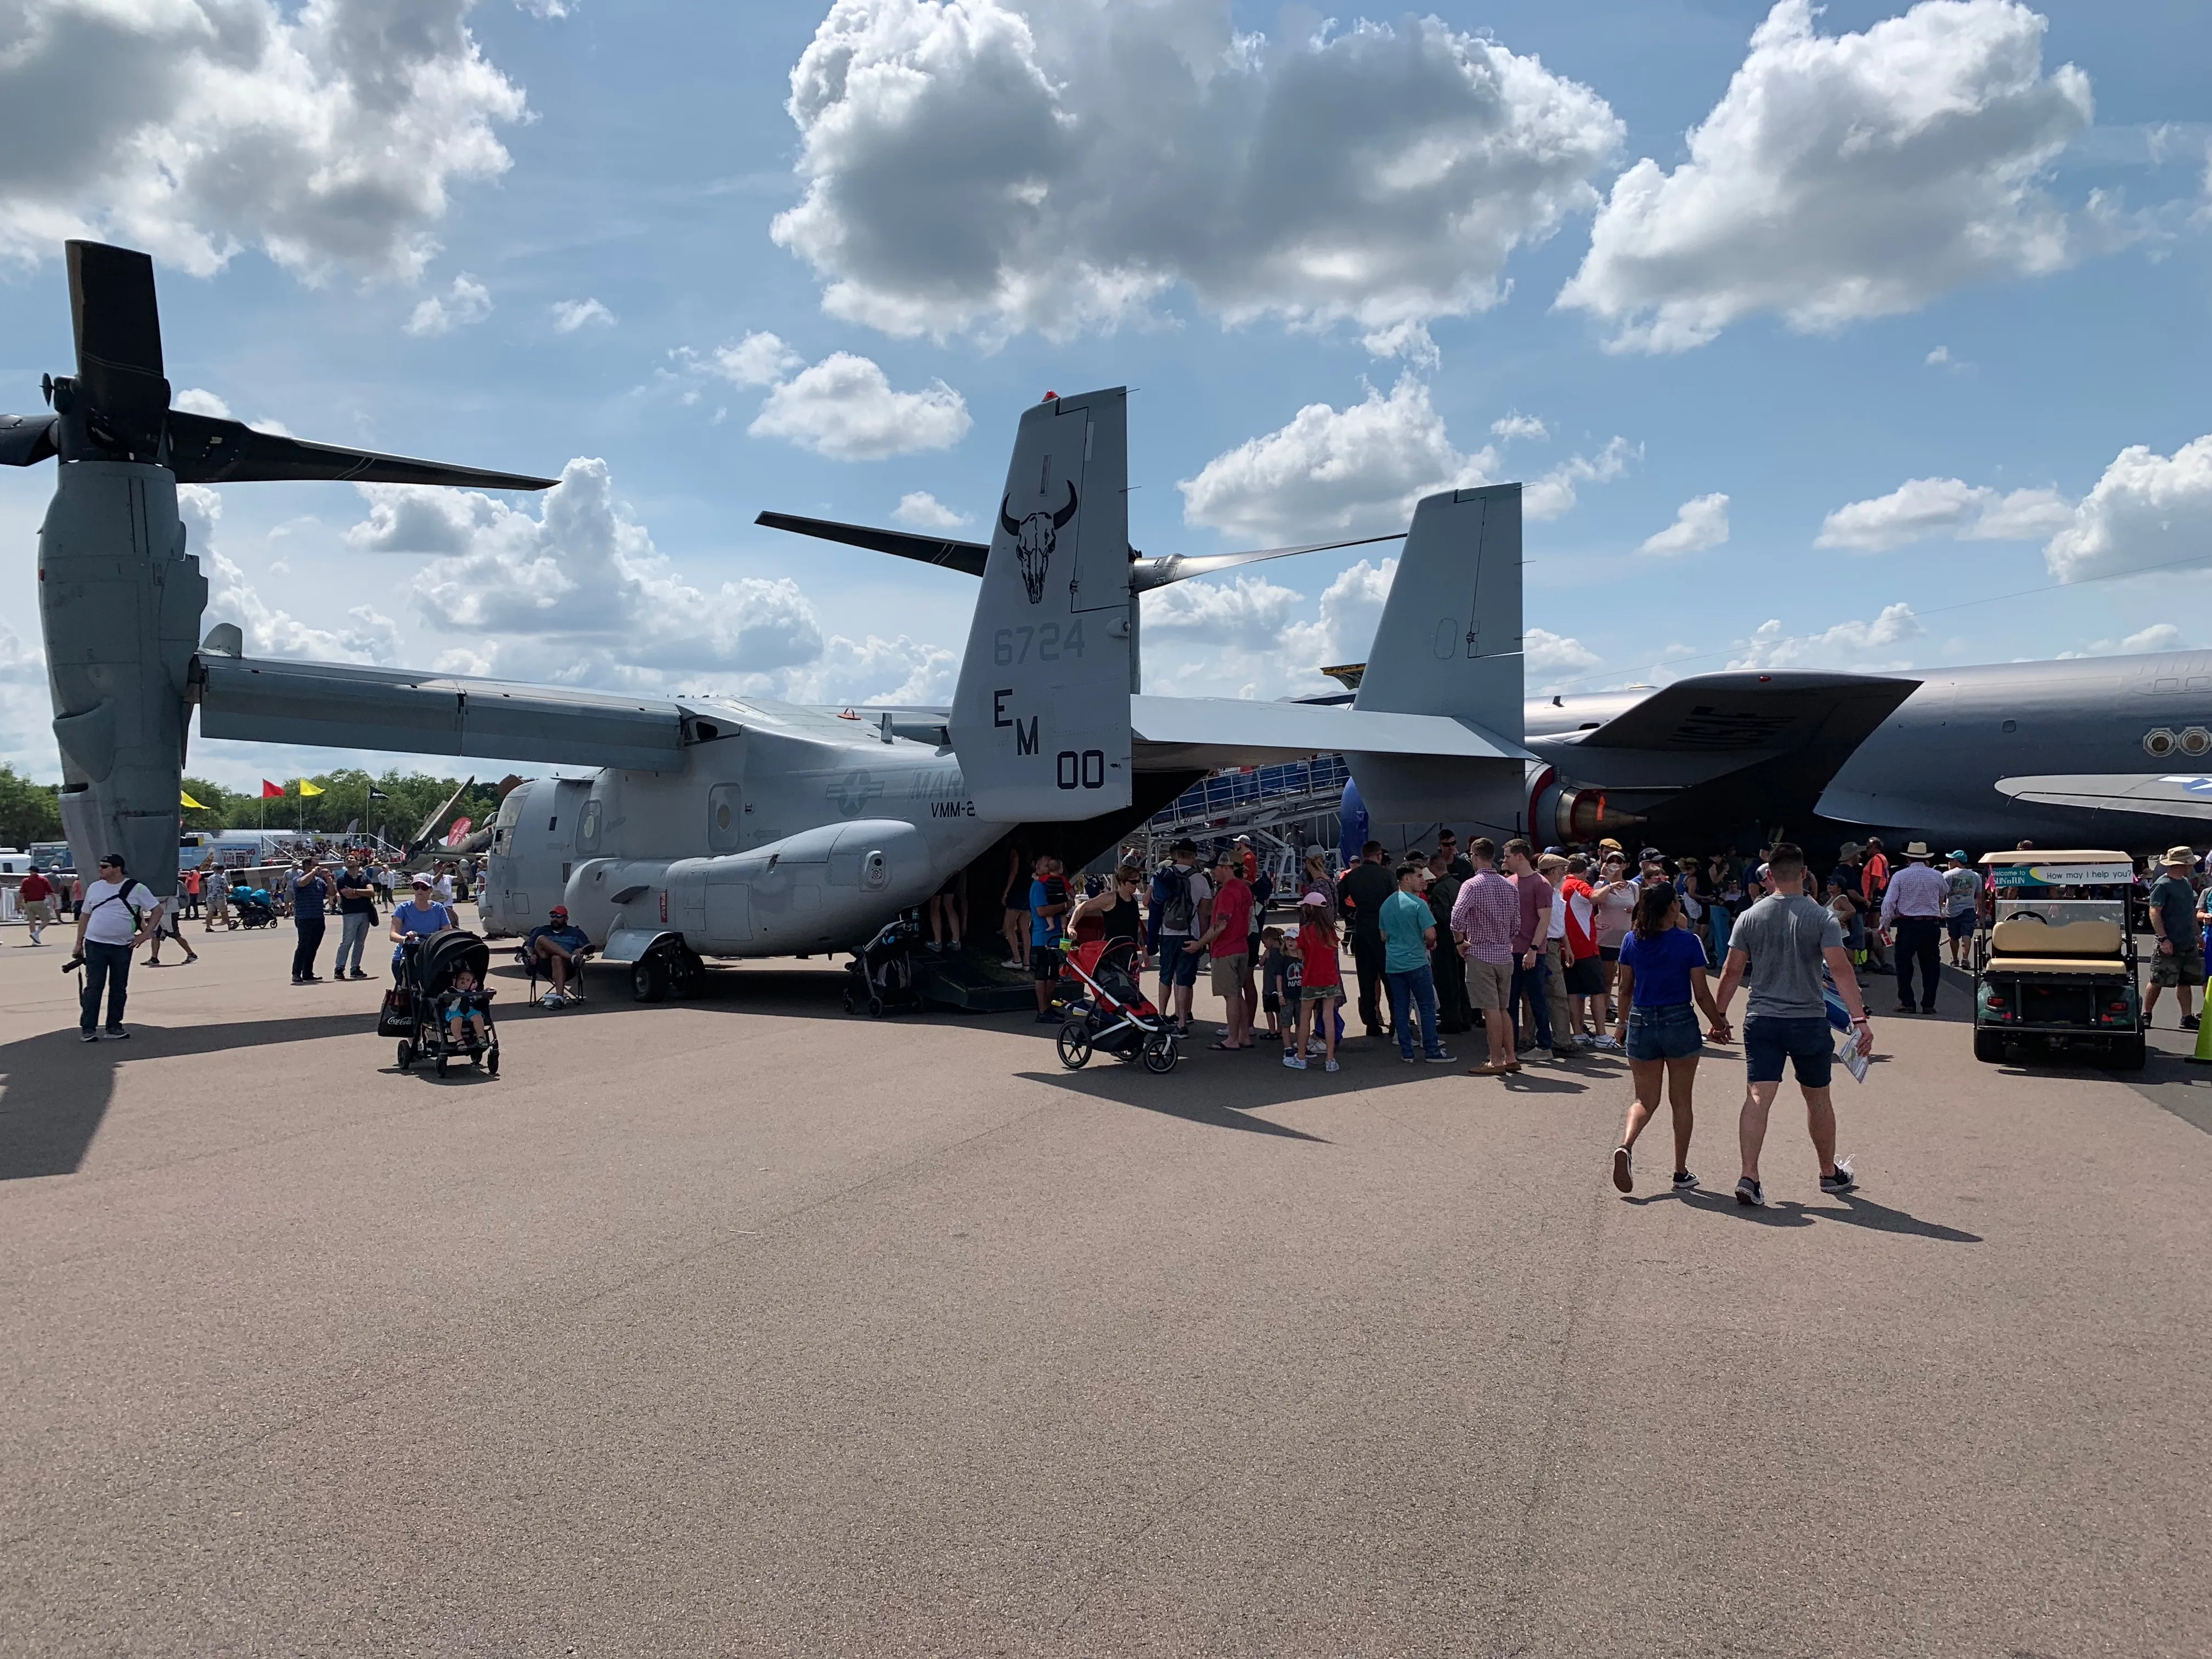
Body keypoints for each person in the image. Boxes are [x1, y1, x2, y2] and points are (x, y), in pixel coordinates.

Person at [1709, 843, 1873, 1208]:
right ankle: (1829, 1173)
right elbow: (1842, 970)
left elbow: (1732, 971)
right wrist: (1859, 1020)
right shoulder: (1821, 918)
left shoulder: (1751, 916)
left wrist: (1719, 1018)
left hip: (1763, 1019)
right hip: (1808, 1020)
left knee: (1757, 1097)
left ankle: (1749, 1177)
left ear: (1769, 875)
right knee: (1818, 1099)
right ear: (1803, 874)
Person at [1609, 883, 1728, 1195]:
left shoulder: (1631, 941)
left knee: (1644, 1100)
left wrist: (1621, 1024)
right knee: (1681, 1100)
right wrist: (1719, 1024)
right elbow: (1701, 993)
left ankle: (1626, 1145)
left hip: (1642, 1021)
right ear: (1672, 909)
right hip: (1679, 1021)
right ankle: (1680, 1170)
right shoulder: (1689, 942)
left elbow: (1624, 988)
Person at [1450, 837, 1521, 1076]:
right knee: (1503, 1008)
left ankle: (1495, 1060)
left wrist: (1460, 941)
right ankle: (1511, 1056)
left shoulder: (1471, 885)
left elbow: (1456, 918)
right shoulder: (1510, 885)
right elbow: (1516, 925)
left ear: (1476, 856)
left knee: (1489, 1010)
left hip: (1481, 952)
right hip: (1505, 953)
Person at [72, 854, 157, 1041]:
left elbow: (157, 910)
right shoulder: (95, 888)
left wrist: (145, 935)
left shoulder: (136, 888)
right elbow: (85, 916)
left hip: (123, 945)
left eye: (104, 866)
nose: (100, 870)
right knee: (94, 987)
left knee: (119, 987)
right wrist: (79, 943)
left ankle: (114, 1026)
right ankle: (88, 1028)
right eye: (100, 866)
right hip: (95, 943)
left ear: (117, 868)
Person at [1380, 861, 1452, 1063]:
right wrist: (1429, 943)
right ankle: (1432, 1050)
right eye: (1419, 876)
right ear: (1407, 878)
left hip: (1394, 964)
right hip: (1417, 962)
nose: (1423, 880)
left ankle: (1407, 1052)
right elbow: (1431, 934)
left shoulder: (1386, 905)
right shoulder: (1419, 904)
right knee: (1427, 1006)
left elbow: (1384, 936)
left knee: (1401, 1007)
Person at [1503, 841, 1567, 1060]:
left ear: (1520, 857)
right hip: (1510, 951)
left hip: (1532, 952)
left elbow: (1545, 919)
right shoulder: (1510, 881)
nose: (1505, 861)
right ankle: (1508, 1046)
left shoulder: (1541, 884)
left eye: (1508, 856)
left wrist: (1533, 949)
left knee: (1537, 998)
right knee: (1509, 1000)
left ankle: (1544, 1046)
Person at [1190, 852, 1255, 1049]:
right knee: (1238, 993)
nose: (1212, 871)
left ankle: (1233, 1039)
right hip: (1242, 946)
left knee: (1231, 996)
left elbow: (1221, 924)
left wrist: (1199, 944)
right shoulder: (1245, 889)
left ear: (1226, 867)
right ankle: (1245, 1036)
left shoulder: (1227, 892)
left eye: (1215, 868)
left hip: (1226, 949)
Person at [1147, 838, 1209, 1033]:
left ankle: (1161, 1015)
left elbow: (1148, 901)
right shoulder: (1200, 879)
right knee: (1183, 980)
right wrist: (1203, 939)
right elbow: (1205, 912)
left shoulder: (1161, 874)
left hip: (1166, 933)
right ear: (1193, 856)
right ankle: (1182, 1022)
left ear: (1176, 855)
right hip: (1190, 934)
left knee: (1165, 975)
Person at [1336, 840, 1396, 1039]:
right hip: (1385, 930)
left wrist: (1350, 914)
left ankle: (1371, 1023)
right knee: (1390, 978)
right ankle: (1397, 1021)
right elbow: (1395, 903)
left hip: (1362, 928)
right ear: (1379, 856)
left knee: (1366, 978)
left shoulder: (1352, 876)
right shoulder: (1388, 875)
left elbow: (1340, 900)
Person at [1881, 841, 1949, 1014]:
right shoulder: (1936, 875)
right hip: (1931, 924)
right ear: (1926, 859)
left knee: (1903, 963)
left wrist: (1885, 924)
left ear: (1908, 858)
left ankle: (1907, 1002)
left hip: (1908, 924)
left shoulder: (1900, 876)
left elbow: (1889, 902)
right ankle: (1929, 1004)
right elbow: (1944, 892)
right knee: (1931, 965)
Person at [2145, 845, 2203, 1031]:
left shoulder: (2185, 883)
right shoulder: (2163, 884)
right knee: (2158, 980)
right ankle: (2147, 1014)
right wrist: (2163, 939)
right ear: (2183, 864)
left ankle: (2187, 1016)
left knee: (2185, 980)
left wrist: (2197, 934)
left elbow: (2190, 912)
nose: (2192, 867)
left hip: (2187, 940)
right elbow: (2155, 911)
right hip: (2169, 940)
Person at [1287, 891, 1342, 1073]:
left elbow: (1301, 953)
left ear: (1309, 908)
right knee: (1328, 1017)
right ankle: (1331, 1059)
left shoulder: (1305, 931)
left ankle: (1301, 1058)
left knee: (1305, 1017)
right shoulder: (1330, 930)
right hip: (1330, 978)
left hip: (1311, 979)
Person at [1558, 854, 1607, 1045]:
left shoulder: (1560, 886)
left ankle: (1578, 1033)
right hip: (1585, 947)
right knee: (1597, 991)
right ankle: (1602, 1035)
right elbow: (1594, 897)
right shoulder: (1579, 884)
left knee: (1574, 991)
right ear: (1584, 873)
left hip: (1567, 946)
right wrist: (1609, 886)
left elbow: (1573, 912)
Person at [1425, 845, 1470, 1035]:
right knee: (1460, 979)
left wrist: (1429, 914)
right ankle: (1466, 1017)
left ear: (1434, 868)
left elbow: (1443, 916)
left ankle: (1451, 1021)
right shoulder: (1458, 885)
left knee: (1446, 981)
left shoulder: (1440, 889)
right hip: (1461, 938)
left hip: (1445, 940)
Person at [1589, 852, 1638, 1025]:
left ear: (1625, 865)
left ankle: (1624, 1016)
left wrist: (1633, 911)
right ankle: (1603, 1015)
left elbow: (1637, 911)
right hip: (1606, 939)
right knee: (1607, 979)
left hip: (1626, 940)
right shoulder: (1601, 885)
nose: (1616, 865)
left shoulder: (1633, 887)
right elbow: (1594, 905)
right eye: (1611, 862)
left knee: (1626, 982)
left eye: (1619, 862)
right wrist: (1608, 881)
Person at [1068, 864, 1147, 960]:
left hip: (1130, 952)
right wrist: (1071, 926)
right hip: (1112, 951)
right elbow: (1083, 906)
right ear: (1122, 883)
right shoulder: (1110, 898)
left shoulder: (1134, 899)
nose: (1137, 884)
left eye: (1138, 880)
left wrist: (1144, 950)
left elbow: (1137, 926)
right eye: (1134, 882)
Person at [389, 875, 456, 979]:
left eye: (424, 887)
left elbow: (448, 931)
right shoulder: (402, 908)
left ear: (431, 890)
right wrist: (405, 939)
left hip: (431, 956)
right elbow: (393, 935)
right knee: (407, 990)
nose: (420, 890)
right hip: (406, 957)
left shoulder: (439, 908)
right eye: (416, 887)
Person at [1029, 855, 1070, 1023]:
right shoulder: (1039, 886)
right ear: (1039, 869)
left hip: (1054, 937)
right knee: (1043, 974)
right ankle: (1043, 1009)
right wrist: (1063, 905)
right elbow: (1042, 911)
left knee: (1053, 974)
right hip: (1043, 938)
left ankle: (1047, 1007)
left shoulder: (1052, 884)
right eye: (1047, 865)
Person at [524, 904, 592, 1002]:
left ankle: (559, 998)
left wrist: (580, 950)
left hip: (566, 967)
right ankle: (571, 957)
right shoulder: (542, 930)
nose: (555, 919)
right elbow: (528, 948)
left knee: (557, 958)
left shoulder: (575, 933)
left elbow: (589, 948)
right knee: (541, 939)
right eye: (553, 917)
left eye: (559, 917)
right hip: (544, 963)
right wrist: (530, 956)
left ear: (566, 918)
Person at [333, 852, 379, 980]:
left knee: (360, 942)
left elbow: (371, 893)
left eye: (352, 858)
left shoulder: (365, 878)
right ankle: (339, 968)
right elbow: (347, 896)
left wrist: (354, 891)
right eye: (347, 859)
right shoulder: (342, 880)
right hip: (350, 914)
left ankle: (355, 968)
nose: (349, 860)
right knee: (347, 941)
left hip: (365, 913)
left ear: (357, 862)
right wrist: (361, 893)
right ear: (345, 864)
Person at [291, 859, 331, 984]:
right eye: (315, 866)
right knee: (303, 946)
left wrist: (328, 878)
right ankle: (296, 973)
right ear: (307, 866)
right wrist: (313, 872)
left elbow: (332, 893)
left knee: (313, 946)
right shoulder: (298, 878)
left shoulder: (319, 882)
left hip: (318, 917)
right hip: (304, 917)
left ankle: (308, 972)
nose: (317, 868)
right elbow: (302, 883)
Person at [142, 890, 200, 967]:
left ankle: (191, 954)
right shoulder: (157, 884)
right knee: (155, 934)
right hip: (160, 912)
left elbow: (162, 898)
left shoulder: (170, 883)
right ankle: (154, 958)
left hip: (169, 912)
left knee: (175, 934)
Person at [442, 965, 493, 1049]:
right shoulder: (452, 990)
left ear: (473, 984)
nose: (464, 981)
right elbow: (445, 998)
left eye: (468, 980)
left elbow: (478, 996)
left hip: (469, 1010)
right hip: (454, 1010)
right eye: (461, 978)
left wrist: (485, 993)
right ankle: (459, 1040)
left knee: (478, 1017)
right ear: (455, 980)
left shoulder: (472, 992)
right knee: (457, 1019)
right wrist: (449, 998)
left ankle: (480, 1037)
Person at [1943, 851, 1979, 968]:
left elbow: (1941, 893)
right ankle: (1965, 959)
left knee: (1953, 937)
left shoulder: (1947, 875)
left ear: (1956, 861)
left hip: (1952, 911)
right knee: (1967, 935)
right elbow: (1980, 896)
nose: (1949, 862)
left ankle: (1955, 959)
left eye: (1951, 860)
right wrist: (1980, 911)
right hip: (1969, 909)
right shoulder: (1975, 876)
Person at [1259, 926, 1290, 1042]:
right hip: (1280, 987)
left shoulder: (1269, 952)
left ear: (1270, 939)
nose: (1264, 945)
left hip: (1268, 986)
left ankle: (1272, 1031)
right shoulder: (1284, 952)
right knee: (1279, 1010)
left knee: (1268, 1010)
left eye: (1264, 942)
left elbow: (1261, 963)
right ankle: (1280, 1030)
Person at [926, 867, 966, 955]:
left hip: (939, 872)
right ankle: (956, 941)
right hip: (953, 871)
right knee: (949, 904)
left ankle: (937, 942)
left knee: (934, 905)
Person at [17, 864, 54, 945]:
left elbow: (21, 894)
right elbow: (51, 892)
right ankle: (37, 933)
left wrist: (19, 905)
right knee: (47, 919)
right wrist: (55, 902)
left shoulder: (26, 881)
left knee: (32, 921)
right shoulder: (43, 880)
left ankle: (35, 941)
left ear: (31, 871)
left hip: (29, 903)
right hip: (40, 902)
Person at [202, 865, 233, 932]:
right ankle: (230, 926)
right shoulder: (221, 877)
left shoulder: (210, 878)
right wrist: (230, 890)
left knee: (210, 912)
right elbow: (226, 888)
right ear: (221, 870)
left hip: (210, 897)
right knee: (224, 912)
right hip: (219, 898)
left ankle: (208, 927)